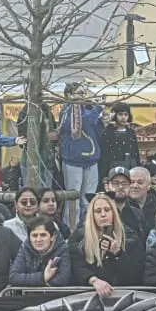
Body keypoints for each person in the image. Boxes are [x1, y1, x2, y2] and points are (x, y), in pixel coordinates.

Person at [57, 84, 105, 221]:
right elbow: (82, 123)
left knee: (88, 200)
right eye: (79, 93)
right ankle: (71, 230)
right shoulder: (66, 111)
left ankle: (87, 228)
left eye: (84, 93)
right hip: (73, 161)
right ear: (69, 95)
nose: (83, 96)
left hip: (92, 160)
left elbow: (96, 130)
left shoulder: (87, 109)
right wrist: (98, 108)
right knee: (74, 201)